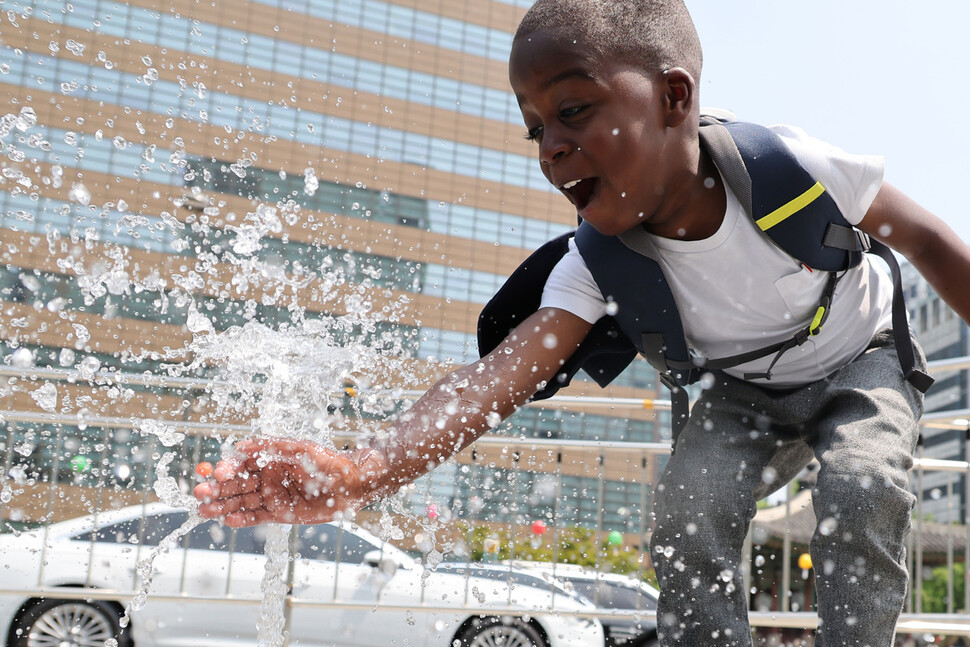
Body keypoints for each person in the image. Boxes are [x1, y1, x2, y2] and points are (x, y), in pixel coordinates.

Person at [195, 0, 970, 644]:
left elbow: (931, 241)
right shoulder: (597, 260)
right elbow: (492, 380)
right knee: (688, 509)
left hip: (856, 361)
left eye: (572, 110)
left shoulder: (789, 167)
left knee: (864, 484)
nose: (552, 146)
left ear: (674, 98)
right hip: (746, 391)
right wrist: (360, 471)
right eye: (535, 128)